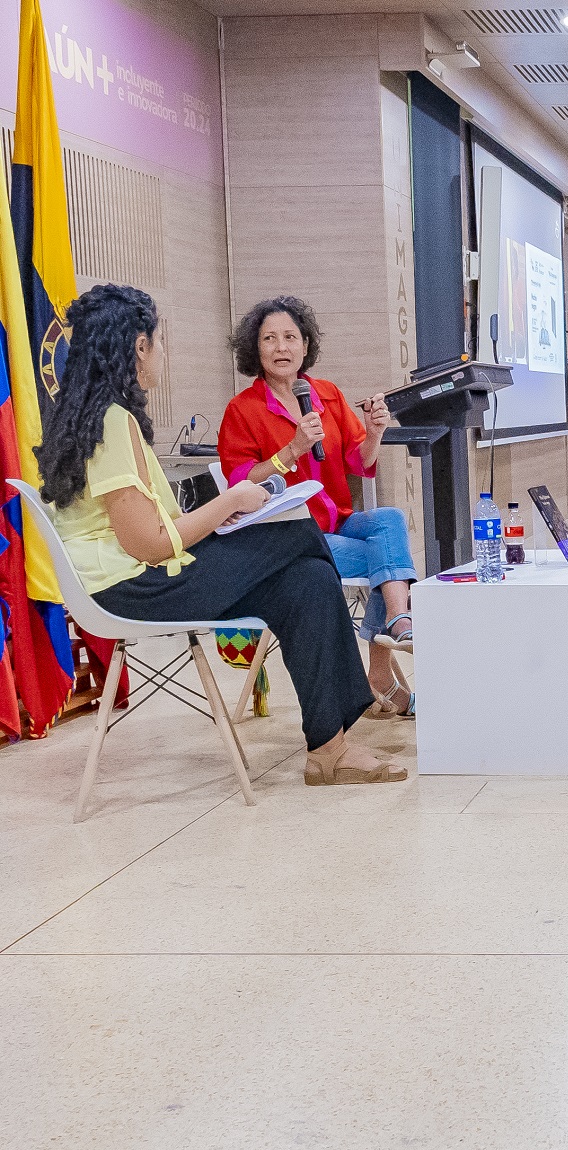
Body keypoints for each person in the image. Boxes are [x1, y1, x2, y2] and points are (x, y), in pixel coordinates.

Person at [34, 284, 404, 785]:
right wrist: (229, 503)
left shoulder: (99, 415)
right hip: (130, 587)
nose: (163, 352)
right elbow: (147, 545)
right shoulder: (113, 423)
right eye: (159, 341)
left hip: (143, 575)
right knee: (300, 535)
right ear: (138, 347)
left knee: (309, 583)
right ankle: (362, 697)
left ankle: (329, 750)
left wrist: (222, 514)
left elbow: (152, 529)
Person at [218, 296, 419, 718]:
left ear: (306, 345)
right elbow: (240, 483)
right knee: (385, 560)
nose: (281, 347)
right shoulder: (243, 409)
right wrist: (291, 450)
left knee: (389, 520)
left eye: (290, 337)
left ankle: (396, 624)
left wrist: (375, 433)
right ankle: (386, 658)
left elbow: (359, 463)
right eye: (269, 339)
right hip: (287, 536)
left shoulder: (325, 394)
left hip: (334, 519)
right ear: (255, 348)